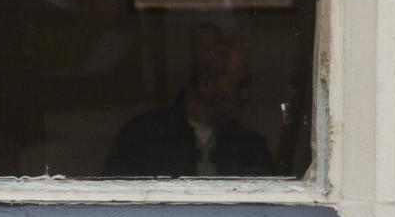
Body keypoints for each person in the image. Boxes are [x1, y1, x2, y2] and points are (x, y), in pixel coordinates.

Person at [103, 27, 276, 178]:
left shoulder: (251, 148)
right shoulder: (142, 140)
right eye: (239, 85)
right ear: (206, 84)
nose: (245, 96)